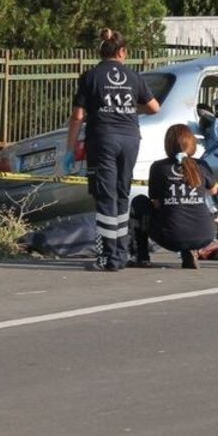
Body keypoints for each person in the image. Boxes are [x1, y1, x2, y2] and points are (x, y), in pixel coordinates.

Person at [63, 29, 160, 271]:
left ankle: (108, 256)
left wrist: (70, 148)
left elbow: (77, 116)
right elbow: (154, 108)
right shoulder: (133, 76)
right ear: (122, 52)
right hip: (130, 139)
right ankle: (120, 251)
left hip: (103, 139)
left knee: (105, 197)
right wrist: (129, 110)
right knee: (121, 194)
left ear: (101, 51)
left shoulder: (90, 76)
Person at [130, 124, 218, 269]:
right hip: (206, 234)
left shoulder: (158, 167)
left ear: (168, 145)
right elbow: (214, 190)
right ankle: (189, 250)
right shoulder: (201, 165)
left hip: (171, 236)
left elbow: (157, 203)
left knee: (139, 202)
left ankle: (141, 256)